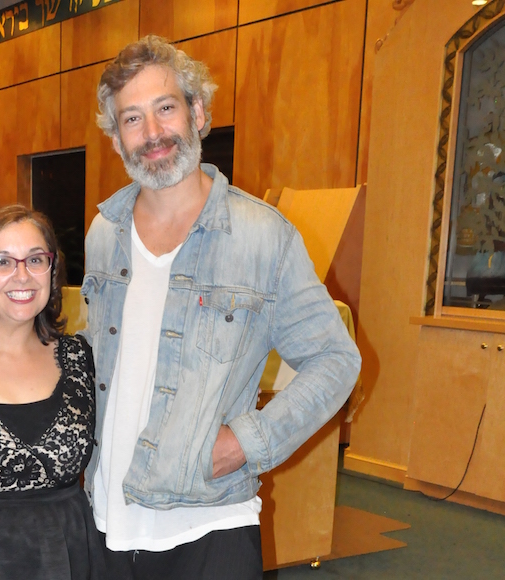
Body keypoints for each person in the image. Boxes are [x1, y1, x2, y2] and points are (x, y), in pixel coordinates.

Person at [80, 35, 362, 578]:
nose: (153, 133)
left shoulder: (263, 236)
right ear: (116, 140)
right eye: (132, 119)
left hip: (209, 521)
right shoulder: (103, 231)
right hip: (105, 517)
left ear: (198, 112)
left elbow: (335, 361)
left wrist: (245, 443)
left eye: (166, 108)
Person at [0, 205, 105, 580]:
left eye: (36, 259)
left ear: (52, 272)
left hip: (68, 556)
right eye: (2, 262)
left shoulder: (78, 357)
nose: (22, 275)